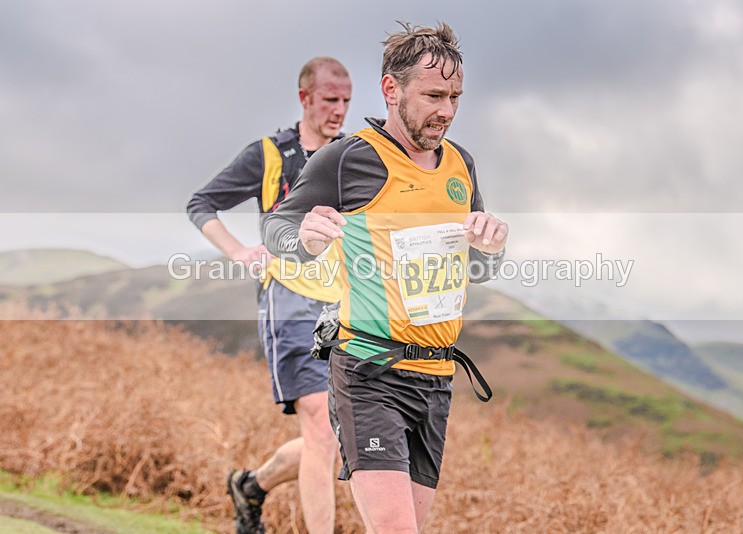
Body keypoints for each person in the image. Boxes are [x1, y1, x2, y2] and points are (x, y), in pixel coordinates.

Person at [264, 23, 508, 533]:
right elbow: (276, 227)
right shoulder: (350, 157)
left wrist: (491, 247)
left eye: (456, 97)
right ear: (391, 90)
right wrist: (303, 238)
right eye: (434, 95)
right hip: (368, 373)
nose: (446, 109)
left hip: (436, 380)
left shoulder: (462, 165)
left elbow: (478, 270)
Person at [186, 56, 352, 534]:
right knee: (322, 425)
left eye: (345, 100)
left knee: (337, 439)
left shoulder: (351, 154)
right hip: (288, 303)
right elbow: (202, 203)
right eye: (329, 100)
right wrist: (239, 250)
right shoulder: (270, 154)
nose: (339, 110)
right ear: (305, 98)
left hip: (343, 305)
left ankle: (252, 486)